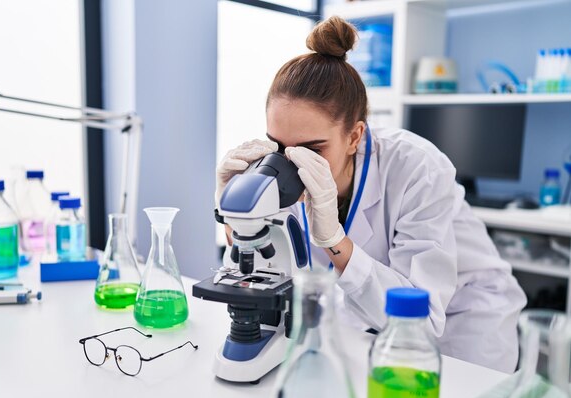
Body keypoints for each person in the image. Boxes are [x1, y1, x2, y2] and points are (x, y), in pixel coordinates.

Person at [215, 16, 526, 373]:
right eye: (278, 146)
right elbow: (259, 273)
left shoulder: (416, 167)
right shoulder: (280, 172)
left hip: (466, 318)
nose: (292, 164)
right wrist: (235, 214)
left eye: (312, 149)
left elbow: (421, 317)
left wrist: (336, 241)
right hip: (366, 317)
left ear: (354, 136)